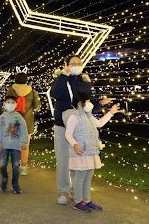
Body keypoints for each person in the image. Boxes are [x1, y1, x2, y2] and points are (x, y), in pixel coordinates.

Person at [50, 54, 115, 205]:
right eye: (72, 63)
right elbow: (55, 94)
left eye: (79, 63)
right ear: (65, 64)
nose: (76, 65)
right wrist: (64, 75)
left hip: (80, 127)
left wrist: (100, 104)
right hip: (62, 124)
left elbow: (87, 104)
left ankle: (76, 192)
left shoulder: (85, 82)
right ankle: (63, 191)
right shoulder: (61, 79)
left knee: (78, 160)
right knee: (63, 160)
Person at [63, 92, 121, 212]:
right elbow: (68, 134)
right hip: (80, 153)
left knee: (88, 177)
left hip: (90, 152)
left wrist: (111, 113)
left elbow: (99, 123)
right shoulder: (74, 117)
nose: (89, 103)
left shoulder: (88, 116)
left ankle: (87, 200)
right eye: (87, 101)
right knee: (80, 178)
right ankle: (77, 201)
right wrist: (75, 144)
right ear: (80, 103)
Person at [6, 72, 41, 175]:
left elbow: (7, 105)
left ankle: (11, 166)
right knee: (25, 145)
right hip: (27, 121)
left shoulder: (11, 90)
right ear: (26, 80)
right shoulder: (32, 91)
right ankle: (24, 167)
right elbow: (37, 106)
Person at [0, 95, 28, 194]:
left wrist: (24, 142)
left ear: (16, 105)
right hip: (4, 146)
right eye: (8, 102)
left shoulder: (19, 117)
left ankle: (15, 184)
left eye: (12, 103)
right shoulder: (1, 118)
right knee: (2, 164)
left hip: (16, 146)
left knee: (16, 166)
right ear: (4, 104)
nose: (10, 104)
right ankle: (4, 178)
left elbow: (23, 129)